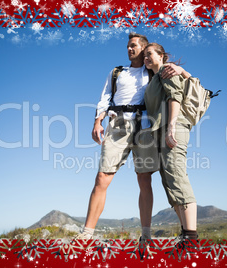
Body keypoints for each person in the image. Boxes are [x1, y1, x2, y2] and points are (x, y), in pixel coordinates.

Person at [74, 34, 191, 241]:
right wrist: (97, 121)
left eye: (134, 45)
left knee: (144, 180)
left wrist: (180, 69)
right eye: (128, 46)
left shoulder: (154, 71)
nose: (129, 49)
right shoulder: (117, 72)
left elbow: (181, 77)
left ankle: (145, 237)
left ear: (144, 49)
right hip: (117, 126)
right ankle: (87, 235)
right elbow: (105, 98)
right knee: (102, 178)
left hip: (145, 128)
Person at [143, 42, 198, 240]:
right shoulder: (156, 77)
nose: (146, 58)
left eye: (150, 54)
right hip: (162, 131)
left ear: (161, 55)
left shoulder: (167, 70)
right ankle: (186, 235)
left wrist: (172, 126)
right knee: (169, 182)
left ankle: (191, 238)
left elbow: (175, 96)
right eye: (144, 56)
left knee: (177, 177)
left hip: (172, 128)